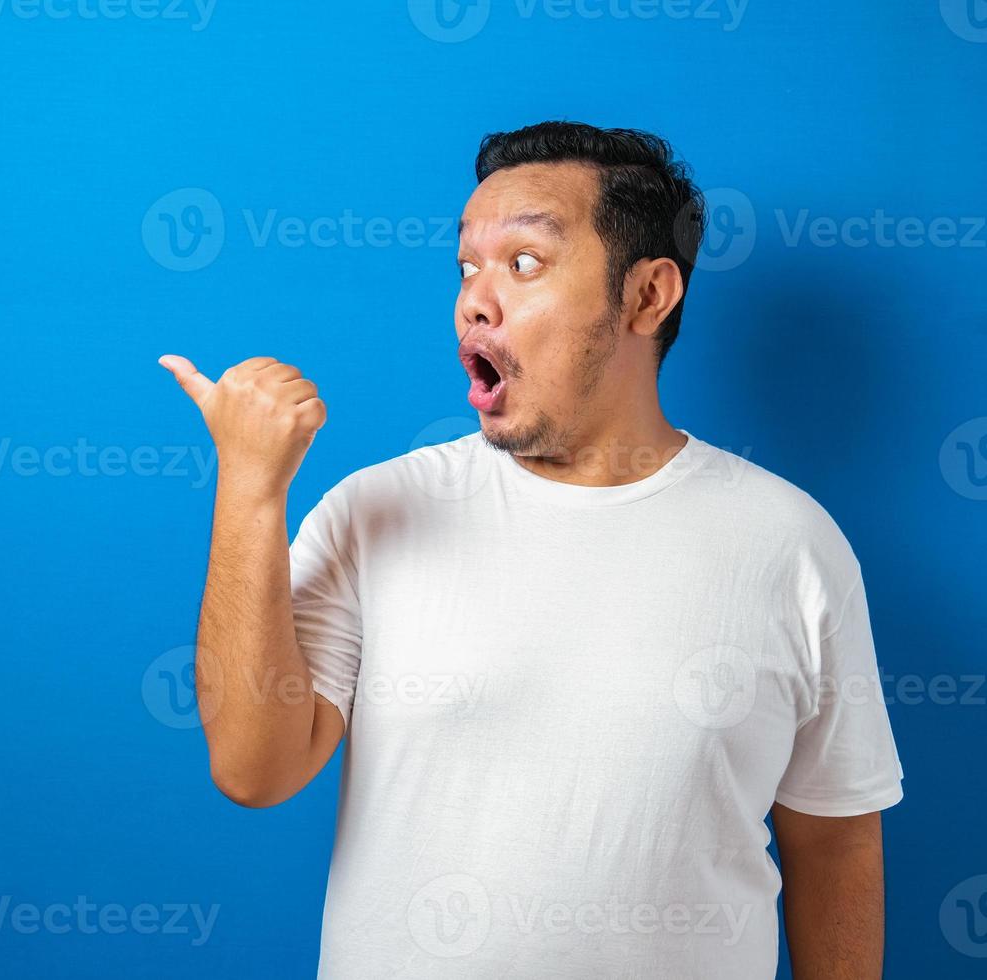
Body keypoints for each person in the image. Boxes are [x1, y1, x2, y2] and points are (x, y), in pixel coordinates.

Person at [158, 120, 903, 979]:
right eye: (467, 268)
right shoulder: (378, 511)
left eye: (523, 264)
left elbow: (837, 842)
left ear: (646, 297)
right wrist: (250, 490)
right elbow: (255, 767)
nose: (476, 299)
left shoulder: (791, 544)